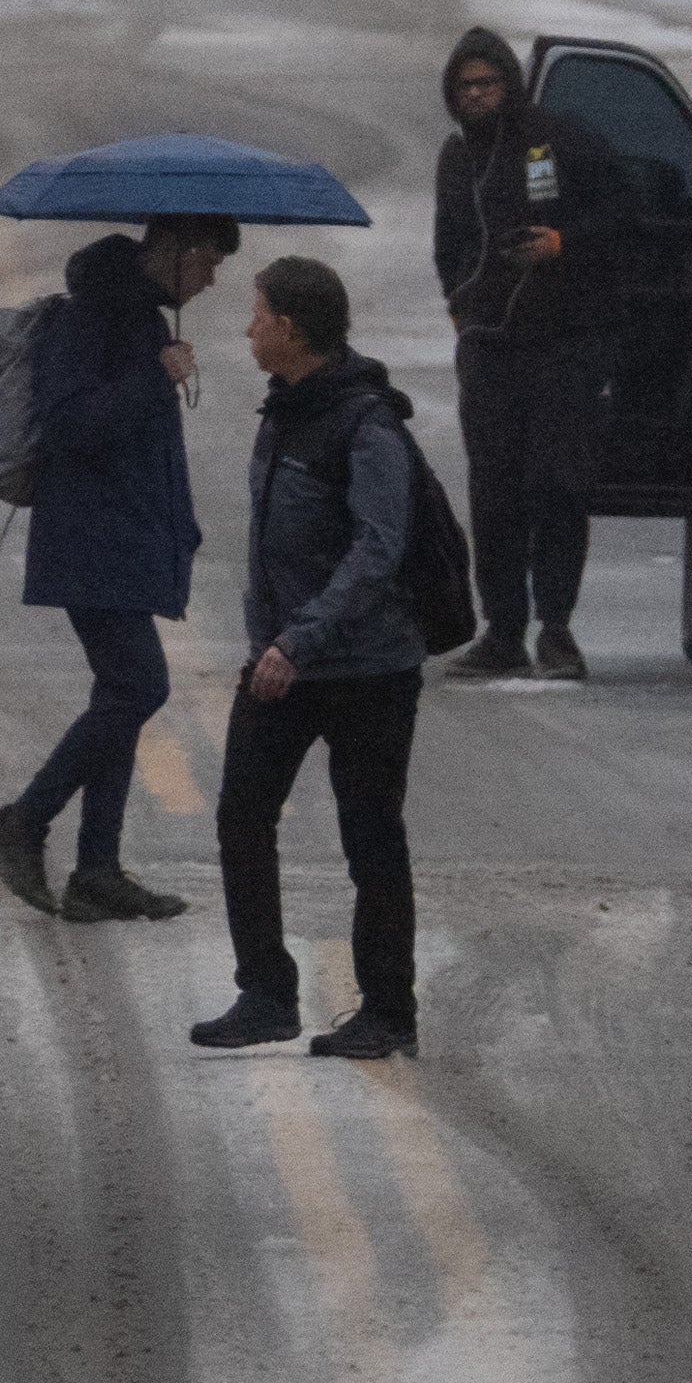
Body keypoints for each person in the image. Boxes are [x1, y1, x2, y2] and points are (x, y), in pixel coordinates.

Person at [189, 256, 430, 1059]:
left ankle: (388, 1011)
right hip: (281, 663)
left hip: (365, 669)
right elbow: (269, 549)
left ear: (289, 328)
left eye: (256, 314)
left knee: (370, 836)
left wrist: (299, 639)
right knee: (240, 816)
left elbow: (378, 549)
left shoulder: (365, 424)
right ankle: (265, 993)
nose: (247, 327)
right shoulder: (282, 411)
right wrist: (268, 643)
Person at [0, 212, 240, 923]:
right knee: (137, 686)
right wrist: (155, 378)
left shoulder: (136, 315)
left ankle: (96, 868)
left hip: (124, 536)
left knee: (118, 694)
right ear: (174, 249)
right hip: (92, 537)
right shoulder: (92, 315)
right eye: (207, 262)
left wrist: (177, 527)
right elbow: (69, 425)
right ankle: (23, 822)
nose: (211, 280)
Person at [432, 27, 623, 681]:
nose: (477, 95)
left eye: (487, 83)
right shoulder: (456, 159)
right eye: (465, 87)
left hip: (565, 344)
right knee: (494, 493)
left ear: (508, 85)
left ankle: (557, 629)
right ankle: (503, 629)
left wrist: (562, 243)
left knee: (558, 487)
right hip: (489, 350)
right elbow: (447, 243)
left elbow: (622, 213)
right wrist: (460, 308)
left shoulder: (554, 139)